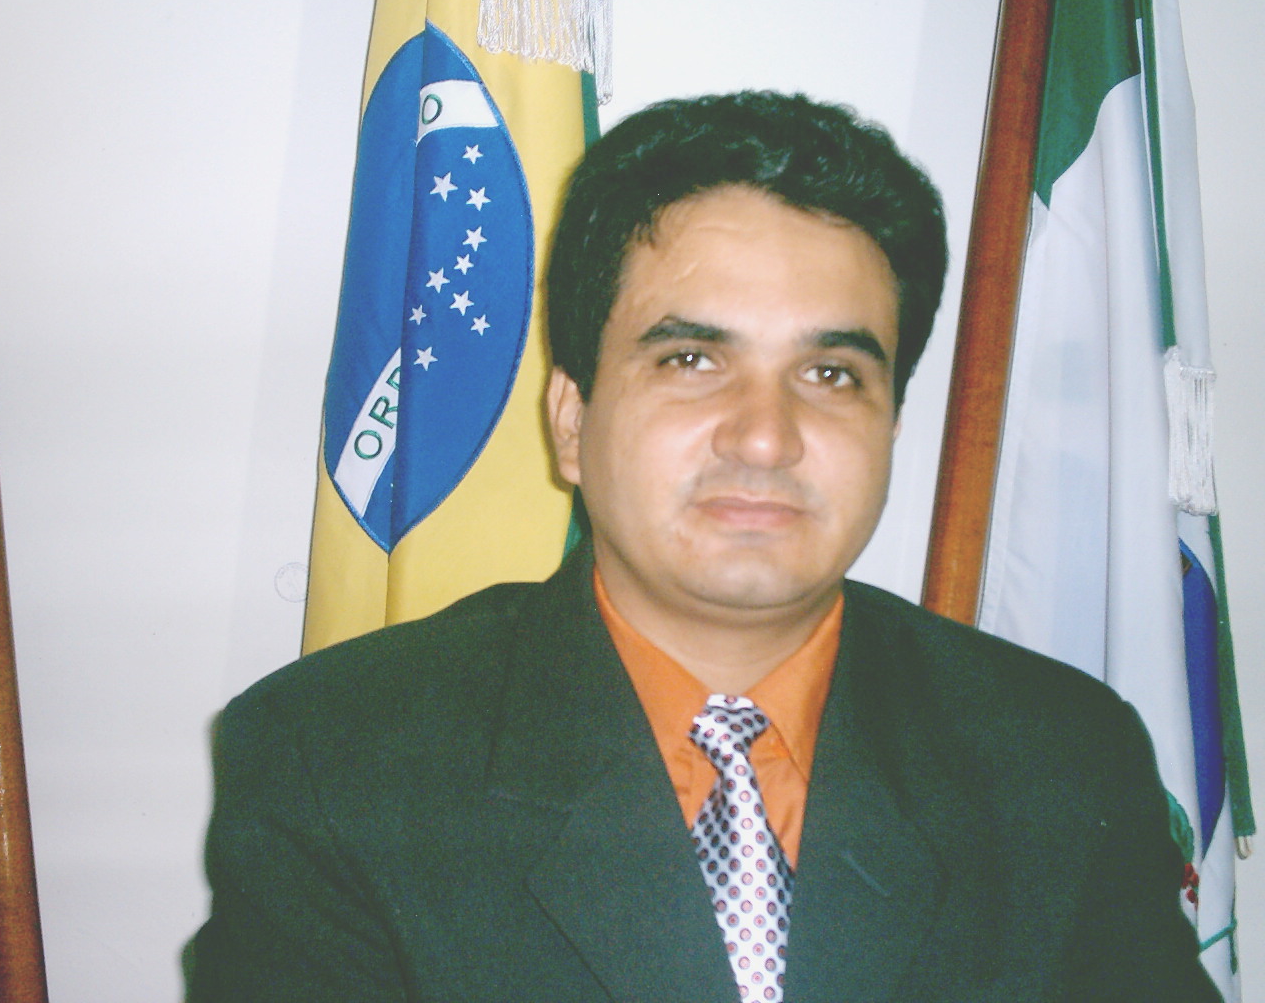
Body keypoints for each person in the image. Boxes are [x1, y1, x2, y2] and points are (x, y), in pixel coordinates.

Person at [189, 91, 1220, 1002]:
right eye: (690, 359)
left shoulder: (1057, 760)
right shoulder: (343, 767)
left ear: (890, 428)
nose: (765, 437)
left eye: (831, 375)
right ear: (570, 421)